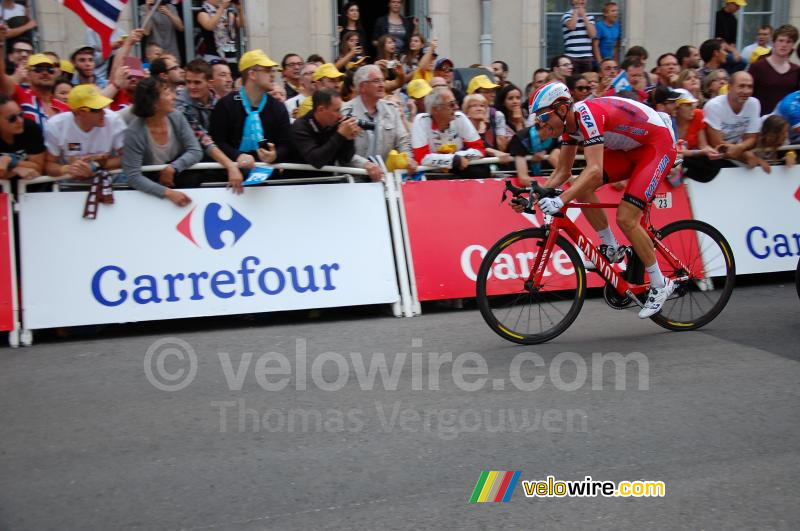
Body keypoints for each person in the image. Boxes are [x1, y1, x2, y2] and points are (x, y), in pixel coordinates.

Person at [523, 81, 679, 318]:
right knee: (581, 187)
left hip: (656, 145)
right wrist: (532, 196)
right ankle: (612, 248)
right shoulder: (569, 126)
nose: (540, 124)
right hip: (631, 149)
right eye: (537, 118)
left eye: (543, 116)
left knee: (626, 218)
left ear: (562, 109)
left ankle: (660, 284)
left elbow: (595, 170)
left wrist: (561, 200)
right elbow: (562, 172)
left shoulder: (587, 117)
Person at [122, 77, 201, 206]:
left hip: (180, 179)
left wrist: (173, 167)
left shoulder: (177, 117)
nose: (174, 97)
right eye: (167, 93)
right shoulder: (134, 132)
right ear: (154, 103)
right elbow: (133, 176)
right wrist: (168, 193)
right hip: (149, 193)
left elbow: (195, 150)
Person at [209, 50, 290, 172]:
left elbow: (287, 144)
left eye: (272, 71)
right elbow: (217, 142)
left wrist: (275, 155)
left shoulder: (278, 107)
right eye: (267, 70)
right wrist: (238, 155)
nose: (273, 75)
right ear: (252, 74)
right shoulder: (226, 105)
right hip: (230, 178)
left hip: (269, 179)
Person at [178, 58, 244, 193]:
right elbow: (204, 141)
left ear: (210, 82)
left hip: (216, 165)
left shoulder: (221, 102)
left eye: (197, 82)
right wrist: (230, 166)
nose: (191, 86)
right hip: (189, 169)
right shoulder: (180, 106)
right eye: (188, 82)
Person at [341, 65, 416, 178]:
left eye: (382, 80)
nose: (382, 85)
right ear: (362, 86)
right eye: (376, 81)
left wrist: (408, 159)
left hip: (386, 181)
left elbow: (403, 141)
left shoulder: (391, 110)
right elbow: (341, 150)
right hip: (354, 181)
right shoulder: (345, 112)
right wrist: (364, 165)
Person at [43, 84, 125, 184]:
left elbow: (129, 157)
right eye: (97, 109)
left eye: (103, 107)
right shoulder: (56, 125)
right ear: (79, 112)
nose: (103, 113)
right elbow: (49, 164)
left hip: (108, 185)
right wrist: (69, 169)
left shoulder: (113, 120)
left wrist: (95, 166)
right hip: (69, 187)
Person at [290, 88, 373, 175]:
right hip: (298, 182)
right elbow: (316, 161)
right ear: (321, 109)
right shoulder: (300, 126)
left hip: (328, 182)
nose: (340, 115)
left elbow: (345, 158)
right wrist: (340, 134)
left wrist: (349, 139)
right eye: (337, 110)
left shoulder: (335, 124)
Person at [0, 35, 70, 133]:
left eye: (50, 69)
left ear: (55, 74)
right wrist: (1, 42)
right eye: (39, 69)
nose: (45, 73)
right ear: (28, 74)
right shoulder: (21, 94)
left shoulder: (65, 108)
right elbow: (1, 77)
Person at [410, 87, 486, 177]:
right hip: (430, 174)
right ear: (435, 109)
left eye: (456, 103)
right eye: (451, 105)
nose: (457, 107)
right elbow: (421, 158)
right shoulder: (421, 120)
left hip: (457, 169)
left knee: (482, 170)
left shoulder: (459, 117)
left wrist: (458, 157)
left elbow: (480, 149)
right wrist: (452, 159)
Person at [703, 71, 761, 166]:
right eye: (741, 86)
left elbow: (752, 138)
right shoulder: (713, 105)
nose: (746, 91)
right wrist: (746, 156)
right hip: (713, 158)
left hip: (738, 153)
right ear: (729, 87)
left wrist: (740, 147)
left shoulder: (754, 103)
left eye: (749, 87)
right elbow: (717, 144)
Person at [748, 24, 800, 115]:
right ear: (773, 42)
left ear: (793, 45)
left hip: (786, 123)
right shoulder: (757, 66)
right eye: (781, 40)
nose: (784, 45)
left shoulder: (797, 71)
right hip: (760, 120)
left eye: (789, 42)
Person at [0, 93, 45, 180]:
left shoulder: (30, 128)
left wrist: (9, 160)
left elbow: (39, 168)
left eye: (21, 114)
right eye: (12, 118)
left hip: (31, 187)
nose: (20, 121)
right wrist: (15, 170)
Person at [197, 0, 245, 76]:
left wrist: (240, 9)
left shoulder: (227, 13)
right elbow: (210, 26)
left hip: (230, 56)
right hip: (213, 56)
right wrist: (222, 8)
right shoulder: (203, 12)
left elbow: (241, 24)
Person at [462, 94, 510, 163]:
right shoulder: (463, 129)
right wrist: (491, 151)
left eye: (482, 106)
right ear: (466, 111)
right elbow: (467, 149)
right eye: (474, 105)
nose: (479, 108)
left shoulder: (490, 127)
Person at [561, 0, 596, 74]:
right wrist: (576, 11)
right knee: (573, 81)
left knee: (586, 81)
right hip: (572, 56)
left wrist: (584, 16)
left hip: (587, 56)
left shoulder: (589, 16)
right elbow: (571, 26)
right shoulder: (566, 15)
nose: (582, 1)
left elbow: (592, 34)